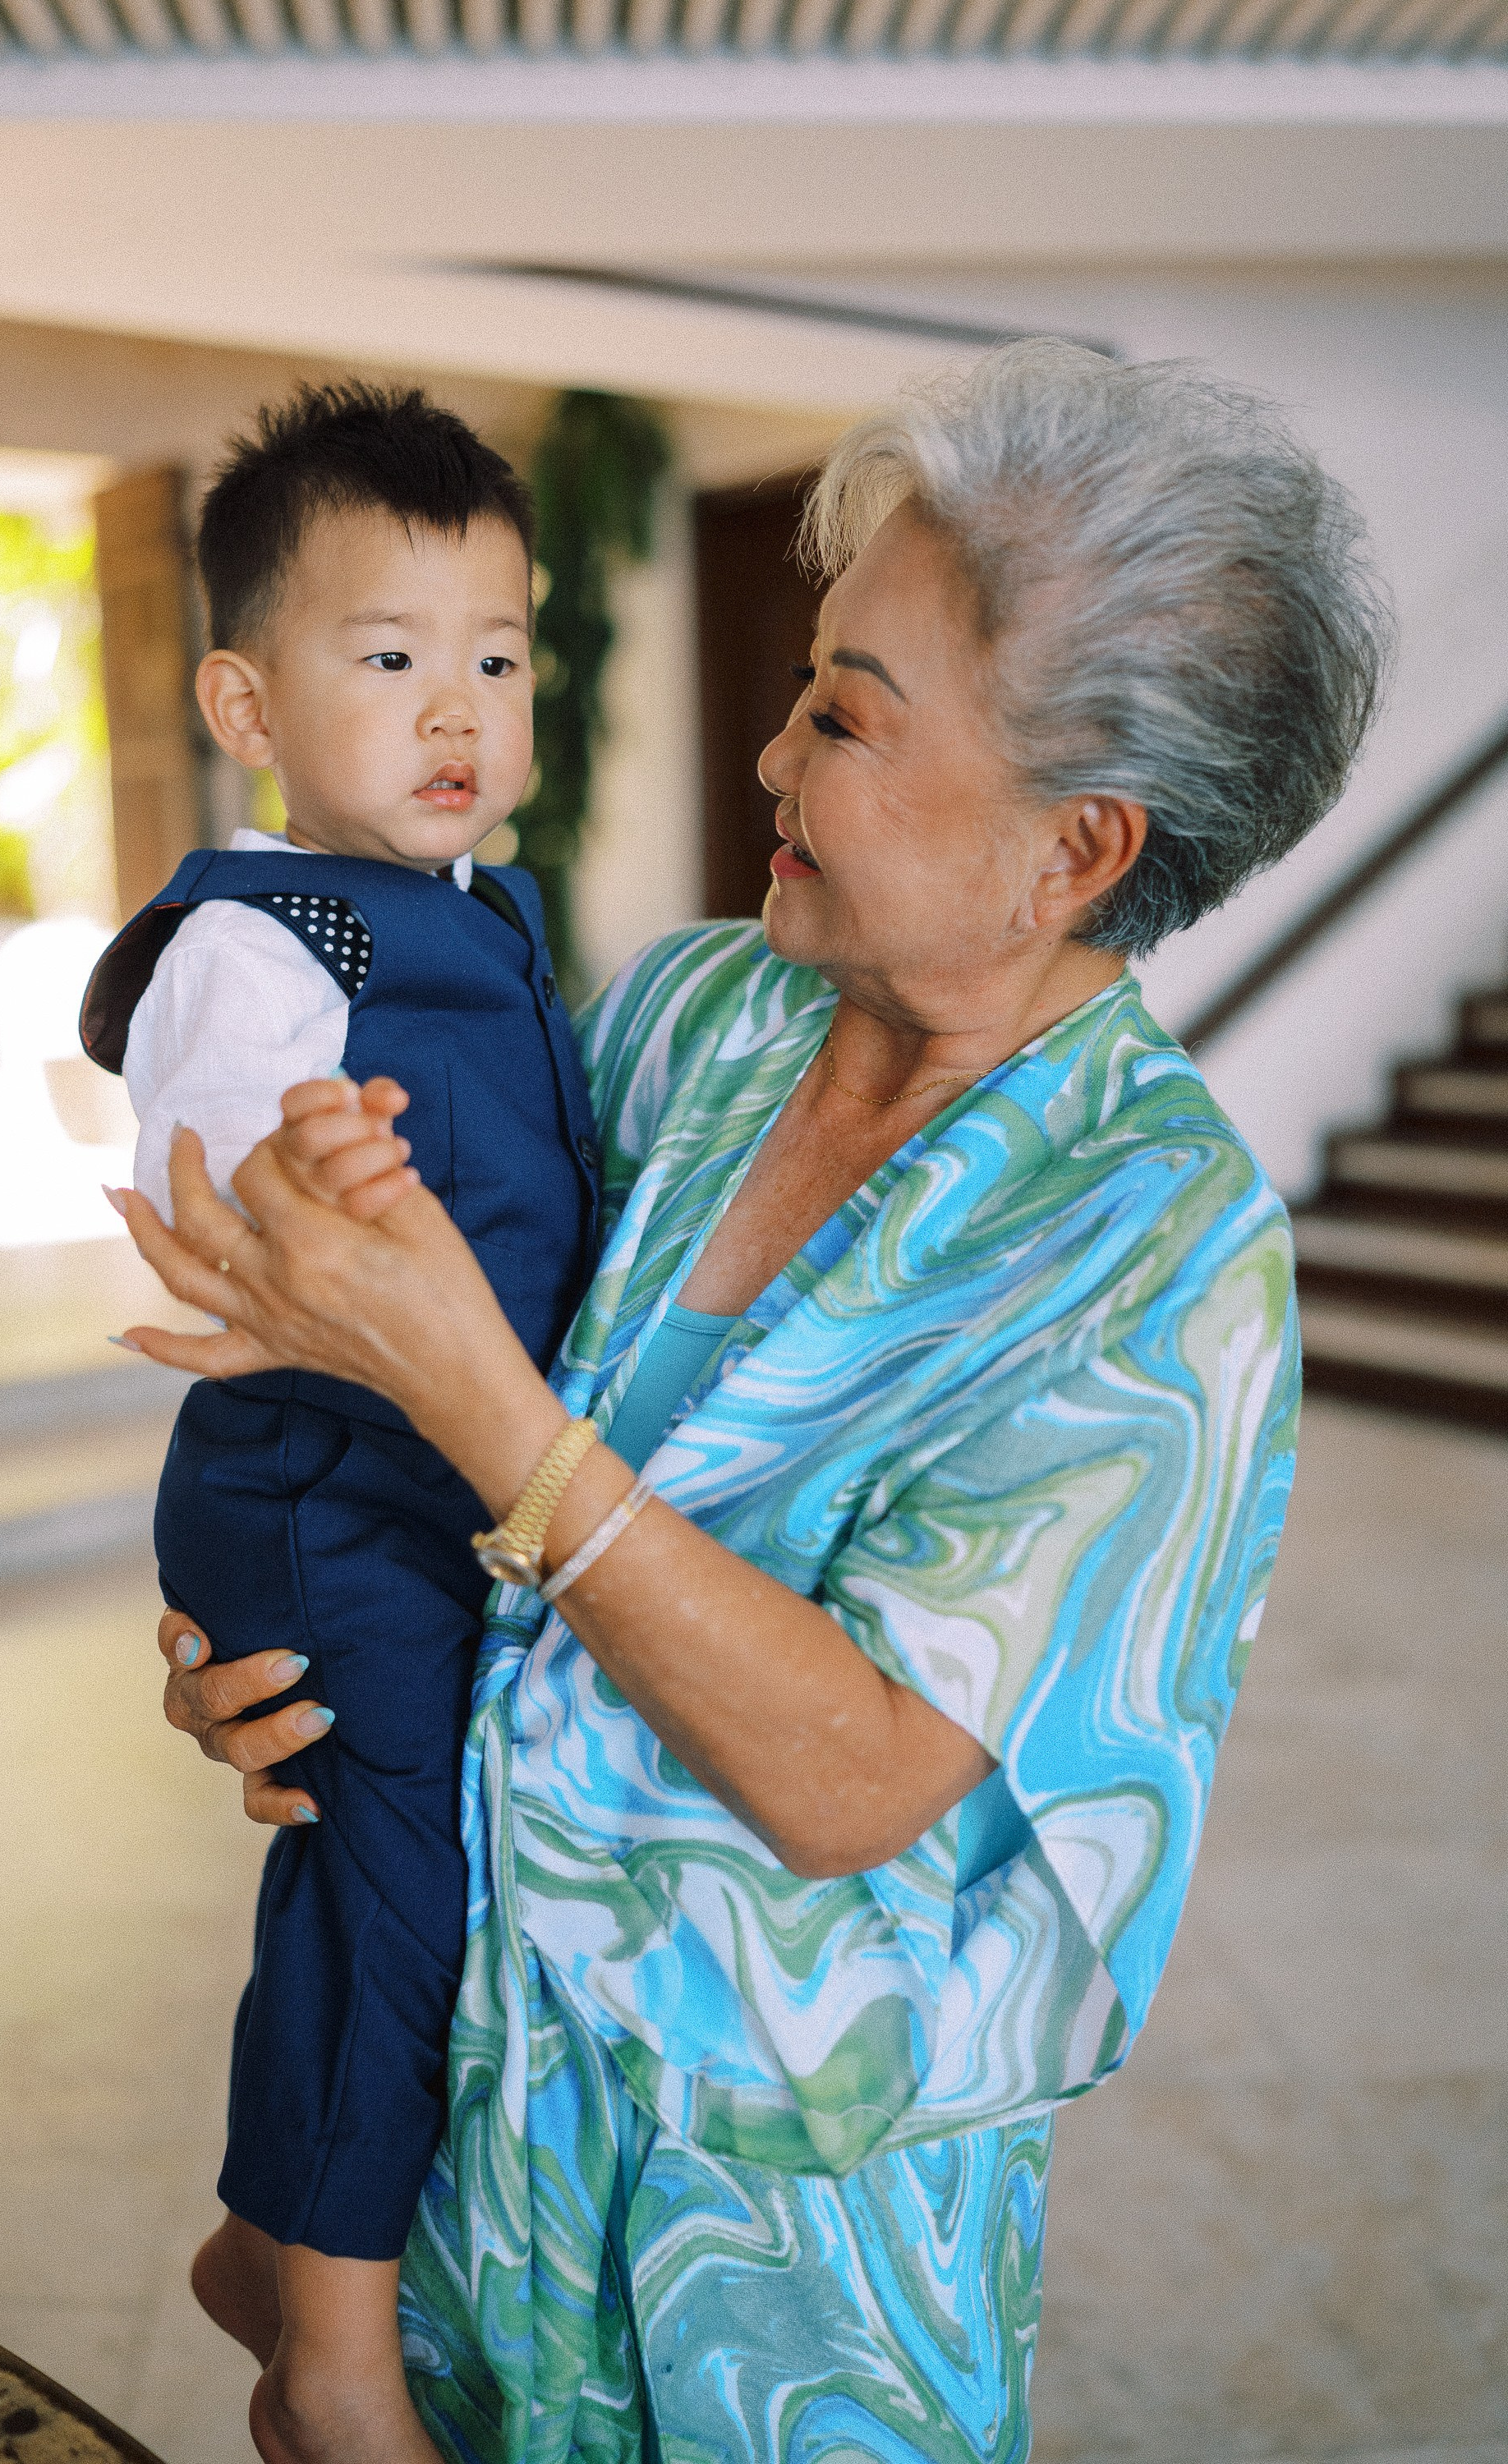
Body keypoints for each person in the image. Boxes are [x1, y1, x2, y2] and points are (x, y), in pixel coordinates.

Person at [115, 342, 1390, 2463]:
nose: (776, 753)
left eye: (850, 718)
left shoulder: (1156, 1251)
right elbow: (386, 1387)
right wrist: (264, 1641)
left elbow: (859, 1777)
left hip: (777, 2271)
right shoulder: (702, 1017)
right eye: (807, 683)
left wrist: (475, 1401)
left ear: (1073, 847)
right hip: (464, 2151)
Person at [84, 384, 599, 2464]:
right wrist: (311, 1183)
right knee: (399, 1899)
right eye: (388, 658)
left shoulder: (489, 909)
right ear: (247, 703)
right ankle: (330, 2354)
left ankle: (265, 2250)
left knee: (408, 1880)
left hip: (425, 1480)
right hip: (318, 1489)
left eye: (498, 659)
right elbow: (212, 1197)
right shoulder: (252, 935)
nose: (455, 708)